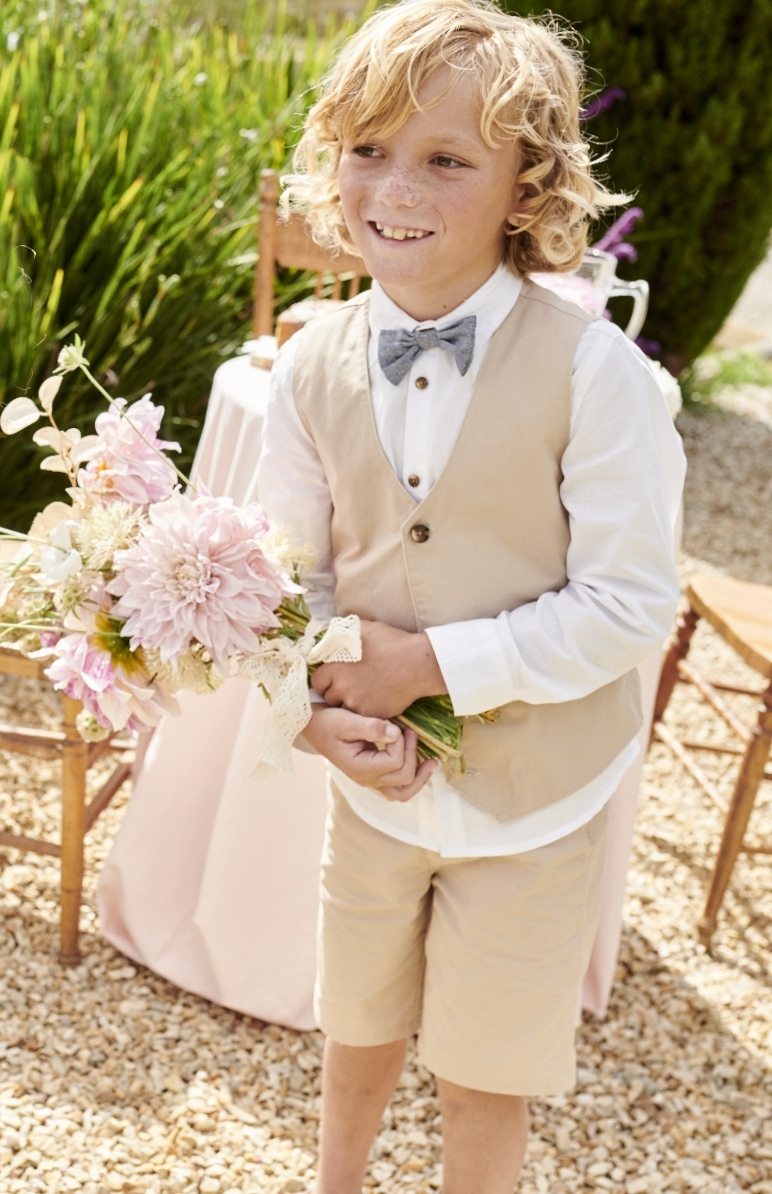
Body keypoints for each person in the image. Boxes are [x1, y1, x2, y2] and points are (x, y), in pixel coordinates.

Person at [257, 1, 686, 1190]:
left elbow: (629, 604)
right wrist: (311, 713)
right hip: (377, 791)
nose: (396, 186)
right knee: (355, 1023)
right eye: (368, 150)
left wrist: (425, 666)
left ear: (525, 188)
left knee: (484, 1073)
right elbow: (290, 585)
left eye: (446, 159)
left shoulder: (596, 373)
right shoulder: (308, 363)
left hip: (536, 806)